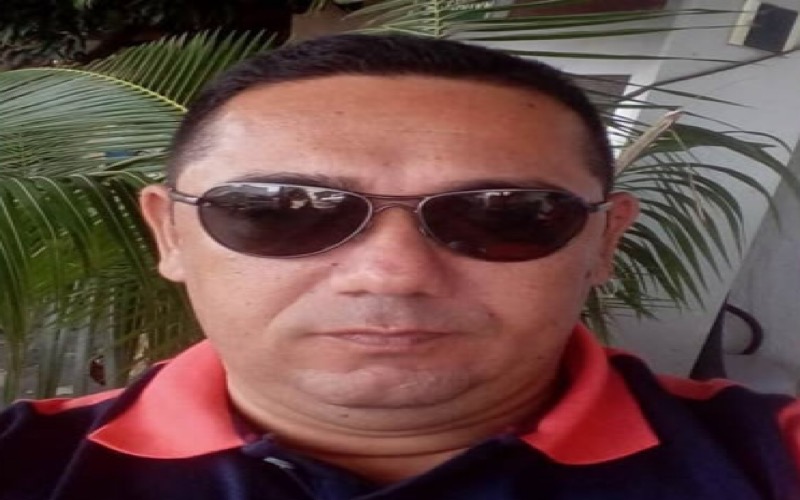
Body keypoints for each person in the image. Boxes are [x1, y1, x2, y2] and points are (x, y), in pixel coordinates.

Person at [1, 33, 799, 500]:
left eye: (503, 214)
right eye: (283, 209)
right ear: (170, 233)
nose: (391, 275)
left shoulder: (772, 460)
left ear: (603, 242)